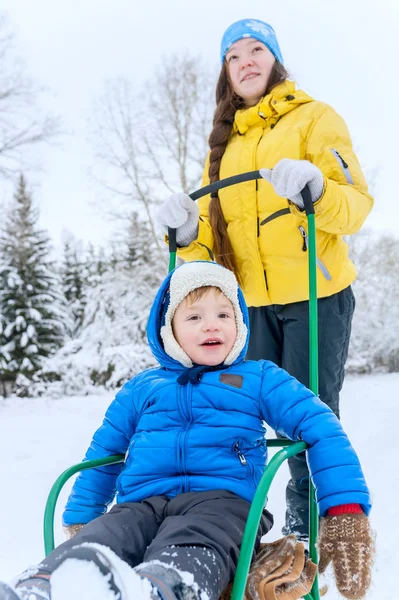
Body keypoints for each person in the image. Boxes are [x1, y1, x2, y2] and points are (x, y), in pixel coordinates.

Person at [1, 261, 373, 600]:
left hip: (222, 505)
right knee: (104, 538)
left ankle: (163, 588)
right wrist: (84, 514)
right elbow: (104, 450)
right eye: (194, 317)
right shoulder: (143, 387)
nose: (212, 324)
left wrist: (345, 508)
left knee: (193, 542)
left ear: (240, 324)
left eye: (224, 314)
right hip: (140, 505)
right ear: (169, 330)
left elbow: (321, 425)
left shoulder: (259, 378)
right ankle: (43, 586)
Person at [156, 18, 374, 543]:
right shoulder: (225, 146)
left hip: (315, 298)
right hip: (249, 307)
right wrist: (187, 233)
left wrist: (317, 188)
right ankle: (237, 523)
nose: (246, 61)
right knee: (242, 414)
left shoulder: (315, 118)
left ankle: (309, 532)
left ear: (275, 60)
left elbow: (355, 207)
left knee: (305, 417)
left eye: (256, 50)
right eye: (234, 55)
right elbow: (213, 246)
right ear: (226, 73)